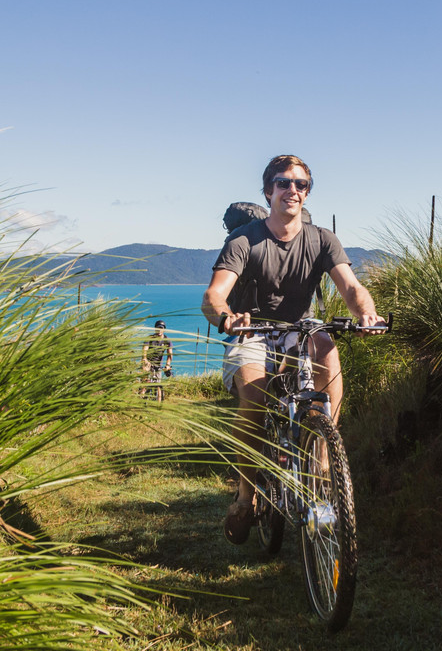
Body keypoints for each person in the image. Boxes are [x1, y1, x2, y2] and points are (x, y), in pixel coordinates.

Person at [202, 154, 386, 544]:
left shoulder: (322, 239)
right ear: (268, 191)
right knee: (254, 397)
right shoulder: (244, 239)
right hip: (252, 330)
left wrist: (366, 314)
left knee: (326, 346)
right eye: (283, 183)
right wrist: (227, 317)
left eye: (301, 184)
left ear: (307, 192)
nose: (292, 190)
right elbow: (214, 295)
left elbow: (352, 287)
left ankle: (323, 459)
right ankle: (246, 495)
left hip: (299, 329)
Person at [140, 320, 173, 394]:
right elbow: (144, 350)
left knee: (158, 384)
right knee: (145, 384)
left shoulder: (167, 341)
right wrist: (145, 359)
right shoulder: (150, 338)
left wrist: (167, 365)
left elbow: (170, 355)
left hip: (158, 365)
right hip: (148, 363)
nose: (159, 330)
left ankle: (158, 400)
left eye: (161, 328)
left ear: (164, 329)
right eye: (157, 328)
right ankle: (141, 395)